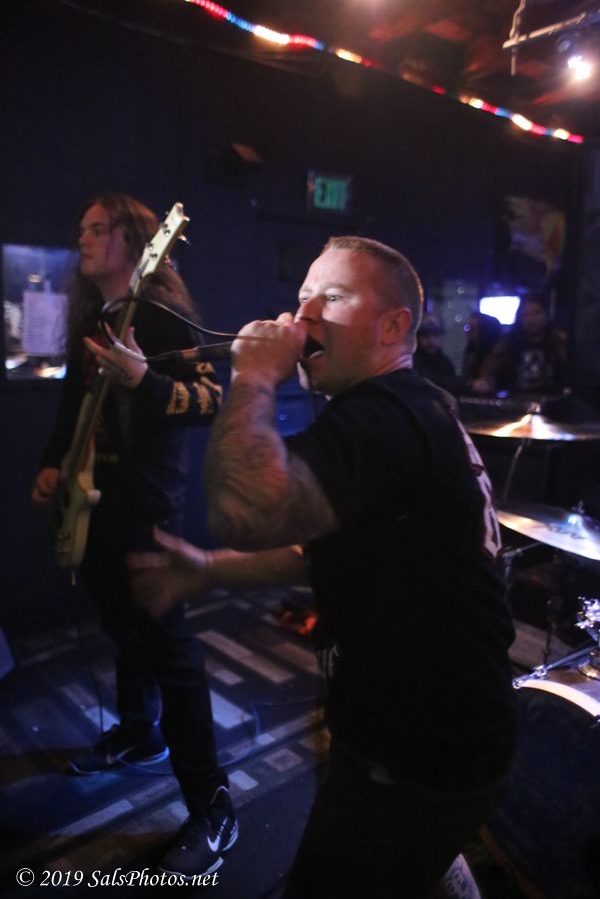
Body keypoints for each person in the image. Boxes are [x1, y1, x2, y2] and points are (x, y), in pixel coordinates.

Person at [134, 236, 517, 898]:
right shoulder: (409, 407)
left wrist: (255, 377)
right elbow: (315, 551)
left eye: (332, 297)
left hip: (419, 754)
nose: (303, 313)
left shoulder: (386, 415)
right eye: (303, 294)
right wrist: (208, 569)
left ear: (393, 326)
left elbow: (243, 512)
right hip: (438, 737)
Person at [31, 192, 237, 880]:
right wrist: (53, 465)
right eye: (83, 228)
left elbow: (210, 399)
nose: (83, 238)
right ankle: (139, 732)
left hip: (149, 509)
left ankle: (213, 806)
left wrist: (146, 380)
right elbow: (72, 408)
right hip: (94, 505)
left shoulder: (159, 315)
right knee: (124, 628)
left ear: (134, 241)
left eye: (98, 229)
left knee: (170, 652)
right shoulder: (95, 319)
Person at [472, 294, 567, 396]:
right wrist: (485, 382)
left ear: (546, 314)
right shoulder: (508, 343)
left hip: (552, 401)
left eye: (536, 313)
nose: (531, 319)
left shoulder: (558, 340)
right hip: (517, 400)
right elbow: (487, 370)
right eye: (525, 315)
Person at [413, 314, 460, 394]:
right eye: (425, 335)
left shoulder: (445, 363)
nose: (430, 340)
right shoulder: (412, 362)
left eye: (435, 335)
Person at [460, 311, 503, 392]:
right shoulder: (471, 353)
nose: (468, 332)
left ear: (487, 331)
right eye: (468, 328)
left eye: (473, 329)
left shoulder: (497, 356)